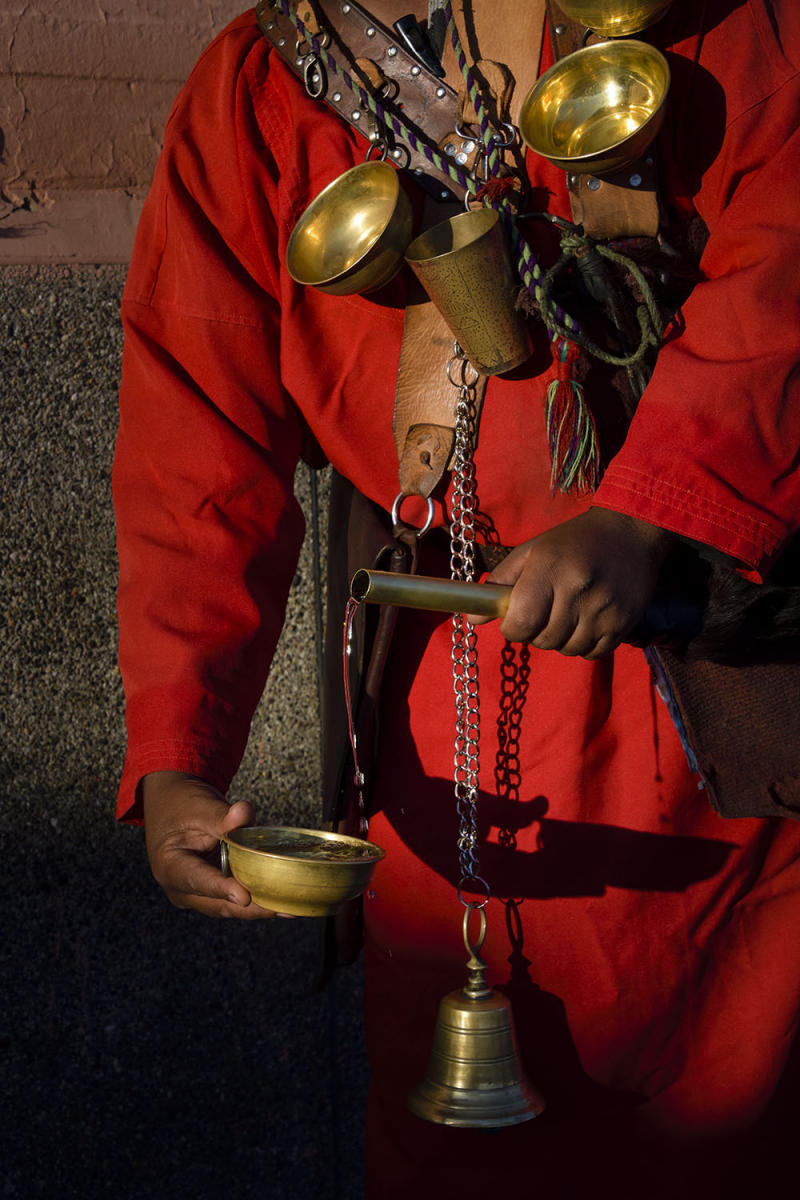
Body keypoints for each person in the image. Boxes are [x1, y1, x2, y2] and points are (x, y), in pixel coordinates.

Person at [114, 1, 800, 1195]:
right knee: (454, 1142)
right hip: (440, 705)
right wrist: (180, 746)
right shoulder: (266, 81)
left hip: (700, 682)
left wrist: (647, 512)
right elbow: (195, 436)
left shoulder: (722, 28)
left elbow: (785, 263)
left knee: (717, 1115)